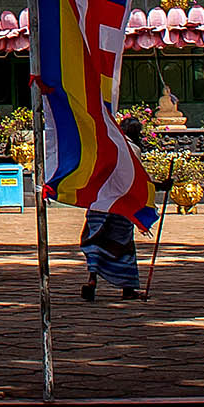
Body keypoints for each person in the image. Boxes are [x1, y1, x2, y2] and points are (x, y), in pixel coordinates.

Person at [79, 116, 149, 302]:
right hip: (120, 205)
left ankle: (92, 280)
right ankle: (128, 288)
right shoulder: (133, 150)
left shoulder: (104, 146)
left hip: (99, 205)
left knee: (95, 242)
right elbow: (136, 181)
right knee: (123, 245)